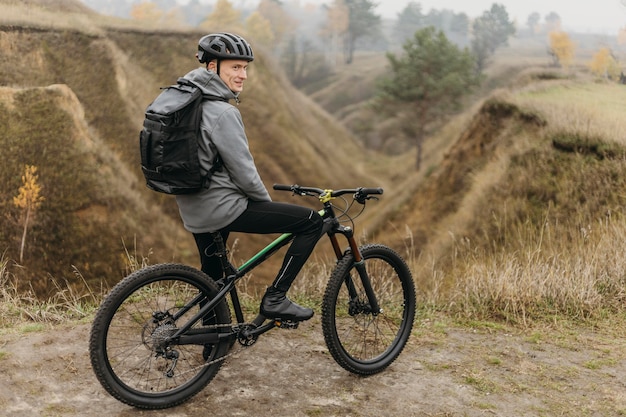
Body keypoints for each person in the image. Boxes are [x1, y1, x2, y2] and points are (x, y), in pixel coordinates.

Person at [175, 32, 324, 322]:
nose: (243, 75)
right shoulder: (222, 112)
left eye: (245, 68)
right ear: (211, 67)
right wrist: (265, 207)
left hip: (192, 207)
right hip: (221, 209)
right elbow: (244, 172)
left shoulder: (187, 101)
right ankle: (276, 297)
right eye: (235, 67)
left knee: (214, 277)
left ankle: (213, 341)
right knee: (310, 223)